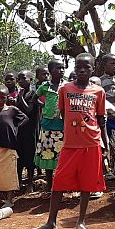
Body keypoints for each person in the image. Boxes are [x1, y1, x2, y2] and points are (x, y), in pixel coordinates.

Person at [29, 53, 108, 229]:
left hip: (91, 143)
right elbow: (63, 114)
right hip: (70, 145)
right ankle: (51, 222)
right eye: (78, 66)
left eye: (86, 67)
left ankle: (80, 221)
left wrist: (105, 145)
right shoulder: (65, 89)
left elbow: (101, 119)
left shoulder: (99, 91)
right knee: (59, 182)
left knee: (87, 184)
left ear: (92, 69)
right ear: (74, 67)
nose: (82, 70)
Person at [0, 85, 28, 208]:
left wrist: (15, 129)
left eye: (2, 98)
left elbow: (25, 118)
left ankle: (10, 200)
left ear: (6, 98)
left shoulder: (12, 110)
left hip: (10, 146)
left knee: (10, 173)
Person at [34, 59, 66, 193]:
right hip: (47, 125)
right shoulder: (45, 86)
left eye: (63, 68)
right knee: (48, 156)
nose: (62, 70)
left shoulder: (66, 86)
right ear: (52, 71)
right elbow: (34, 98)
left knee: (62, 157)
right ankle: (49, 186)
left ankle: (62, 185)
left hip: (62, 126)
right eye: (59, 68)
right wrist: (43, 105)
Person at [16, 70, 39, 193]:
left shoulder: (33, 93)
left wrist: (19, 98)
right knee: (19, 155)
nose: (20, 81)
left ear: (30, 79)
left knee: (30, 155)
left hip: (31, 130)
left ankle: (30, 182)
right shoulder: (21, 93)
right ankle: (19, 181)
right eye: (18, 79)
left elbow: (29, 110)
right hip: (20, 130)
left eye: (23, 78)